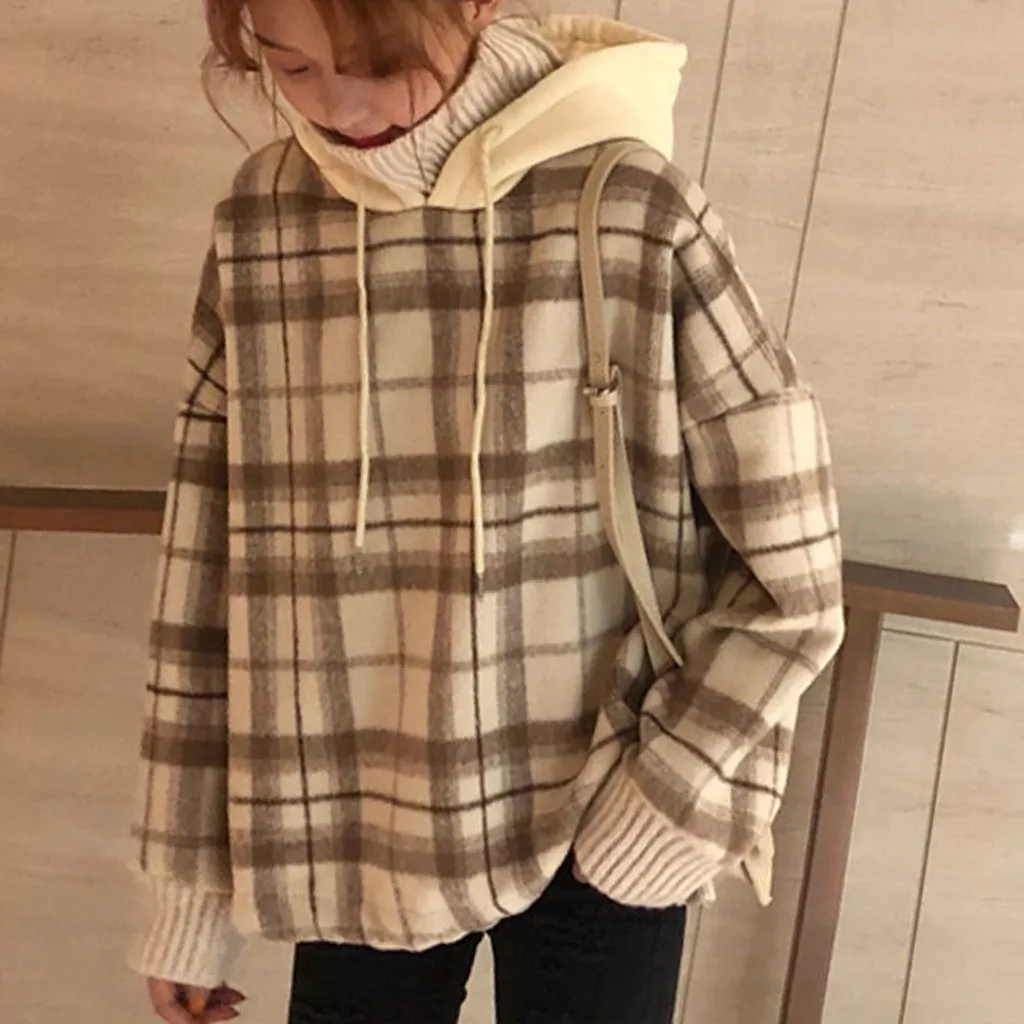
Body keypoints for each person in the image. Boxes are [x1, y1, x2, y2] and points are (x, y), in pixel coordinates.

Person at [129, 1, 845, 1022]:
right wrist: (190, 897)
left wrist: (670, 793)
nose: (340, 107)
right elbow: (206, 564)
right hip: (355, 824)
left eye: (373, 60)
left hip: (603, 809)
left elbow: (794, 566)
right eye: (291, 69)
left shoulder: (630, 209)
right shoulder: (265, 219)